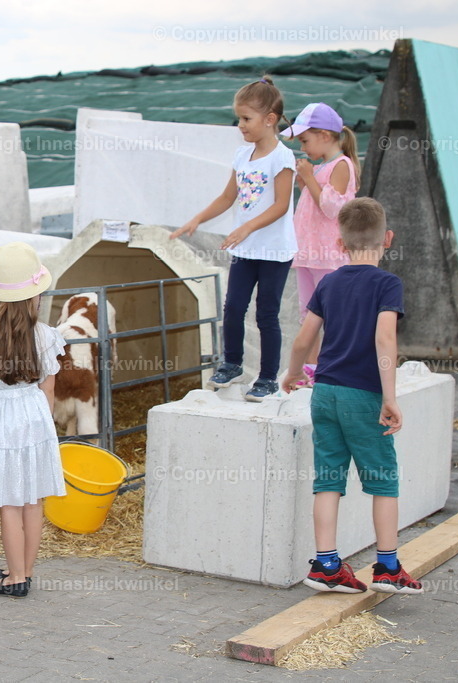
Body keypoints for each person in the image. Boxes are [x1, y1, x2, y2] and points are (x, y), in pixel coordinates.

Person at [282, 198, 422, 595]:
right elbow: (384, 338)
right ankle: (388, 567)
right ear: (387, 239)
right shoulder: (387, 284)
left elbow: (304, 338)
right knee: (382, 481)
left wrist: (293, 374)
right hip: (363, 396)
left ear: (340, 244)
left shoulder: (328, 282)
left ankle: (326, 565)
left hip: (324, 393)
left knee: (328, 480)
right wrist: (389, 397)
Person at [170, 76, 297, 401]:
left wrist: (247, 227)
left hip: (273, 251)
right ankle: (233, 364)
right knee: (233, 306)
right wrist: (197, 219)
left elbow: (282, 205)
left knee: (266, 314)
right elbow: (228, 198)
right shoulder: (242, 156)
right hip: (246, 249)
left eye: (246, 119)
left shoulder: (282, 158)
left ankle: (268, 378)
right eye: (239, 118)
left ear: (269, 120)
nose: (240, 125)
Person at [0, 242, 67, 598]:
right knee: (33, 499)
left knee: (9, 501)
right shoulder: (47, 335)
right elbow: (49, 389)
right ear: (35, 294)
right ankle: (25, 568)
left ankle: (16, 577)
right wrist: (44, 427)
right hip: (34, 415)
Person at [281, 102, 360, 385]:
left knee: (334, 315)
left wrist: (308, 178)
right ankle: (311, 368)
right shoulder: (323, 166)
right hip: (307, 254)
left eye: (305, 140)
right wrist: (308, 181)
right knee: (309, 315)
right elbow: (315, 202)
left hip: (328, 256)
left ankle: (336, 367)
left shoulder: (342, 165)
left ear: (325, 135)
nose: (303, 147)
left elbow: (333, 209)